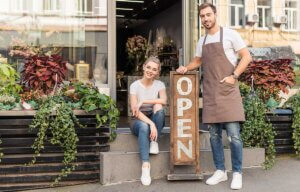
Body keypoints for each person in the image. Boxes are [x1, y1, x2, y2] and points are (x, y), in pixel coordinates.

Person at [176, 3, 252, 190]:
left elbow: (246, 56)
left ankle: (237, 173)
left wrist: (234, 76)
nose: (206, 19)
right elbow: (198, 60)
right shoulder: (201, 41)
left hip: (228, 91)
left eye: (208, 15)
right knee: (214, 136)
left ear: (215, 15)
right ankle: (220, 171)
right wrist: (186, 67)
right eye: (202, 16)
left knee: (234, 136)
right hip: (210, 92)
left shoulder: (230, 34)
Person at [129, 56, 167, 186]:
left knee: (159, 107)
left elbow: (164, 101)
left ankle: (154, 142)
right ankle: (145, 166)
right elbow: (135, 111)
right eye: (149, 67)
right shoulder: (134, 85)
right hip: (138, 119)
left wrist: (144, 101)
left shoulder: (159, 84)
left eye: (154, 69)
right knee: (144, 127)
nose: (150, 71)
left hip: (153, 116)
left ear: (157, 73)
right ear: (144, 66)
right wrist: (151, 124)